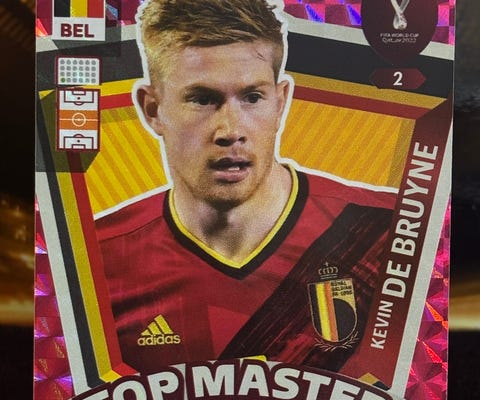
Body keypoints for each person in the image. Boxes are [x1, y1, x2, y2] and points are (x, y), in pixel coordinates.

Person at [96, 0, 395, 374]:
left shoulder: (391, 232)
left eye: (253, 97)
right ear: (153, 109)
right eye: (202, 99)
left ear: (281, 103)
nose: (231, 130)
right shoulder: (94, 264)